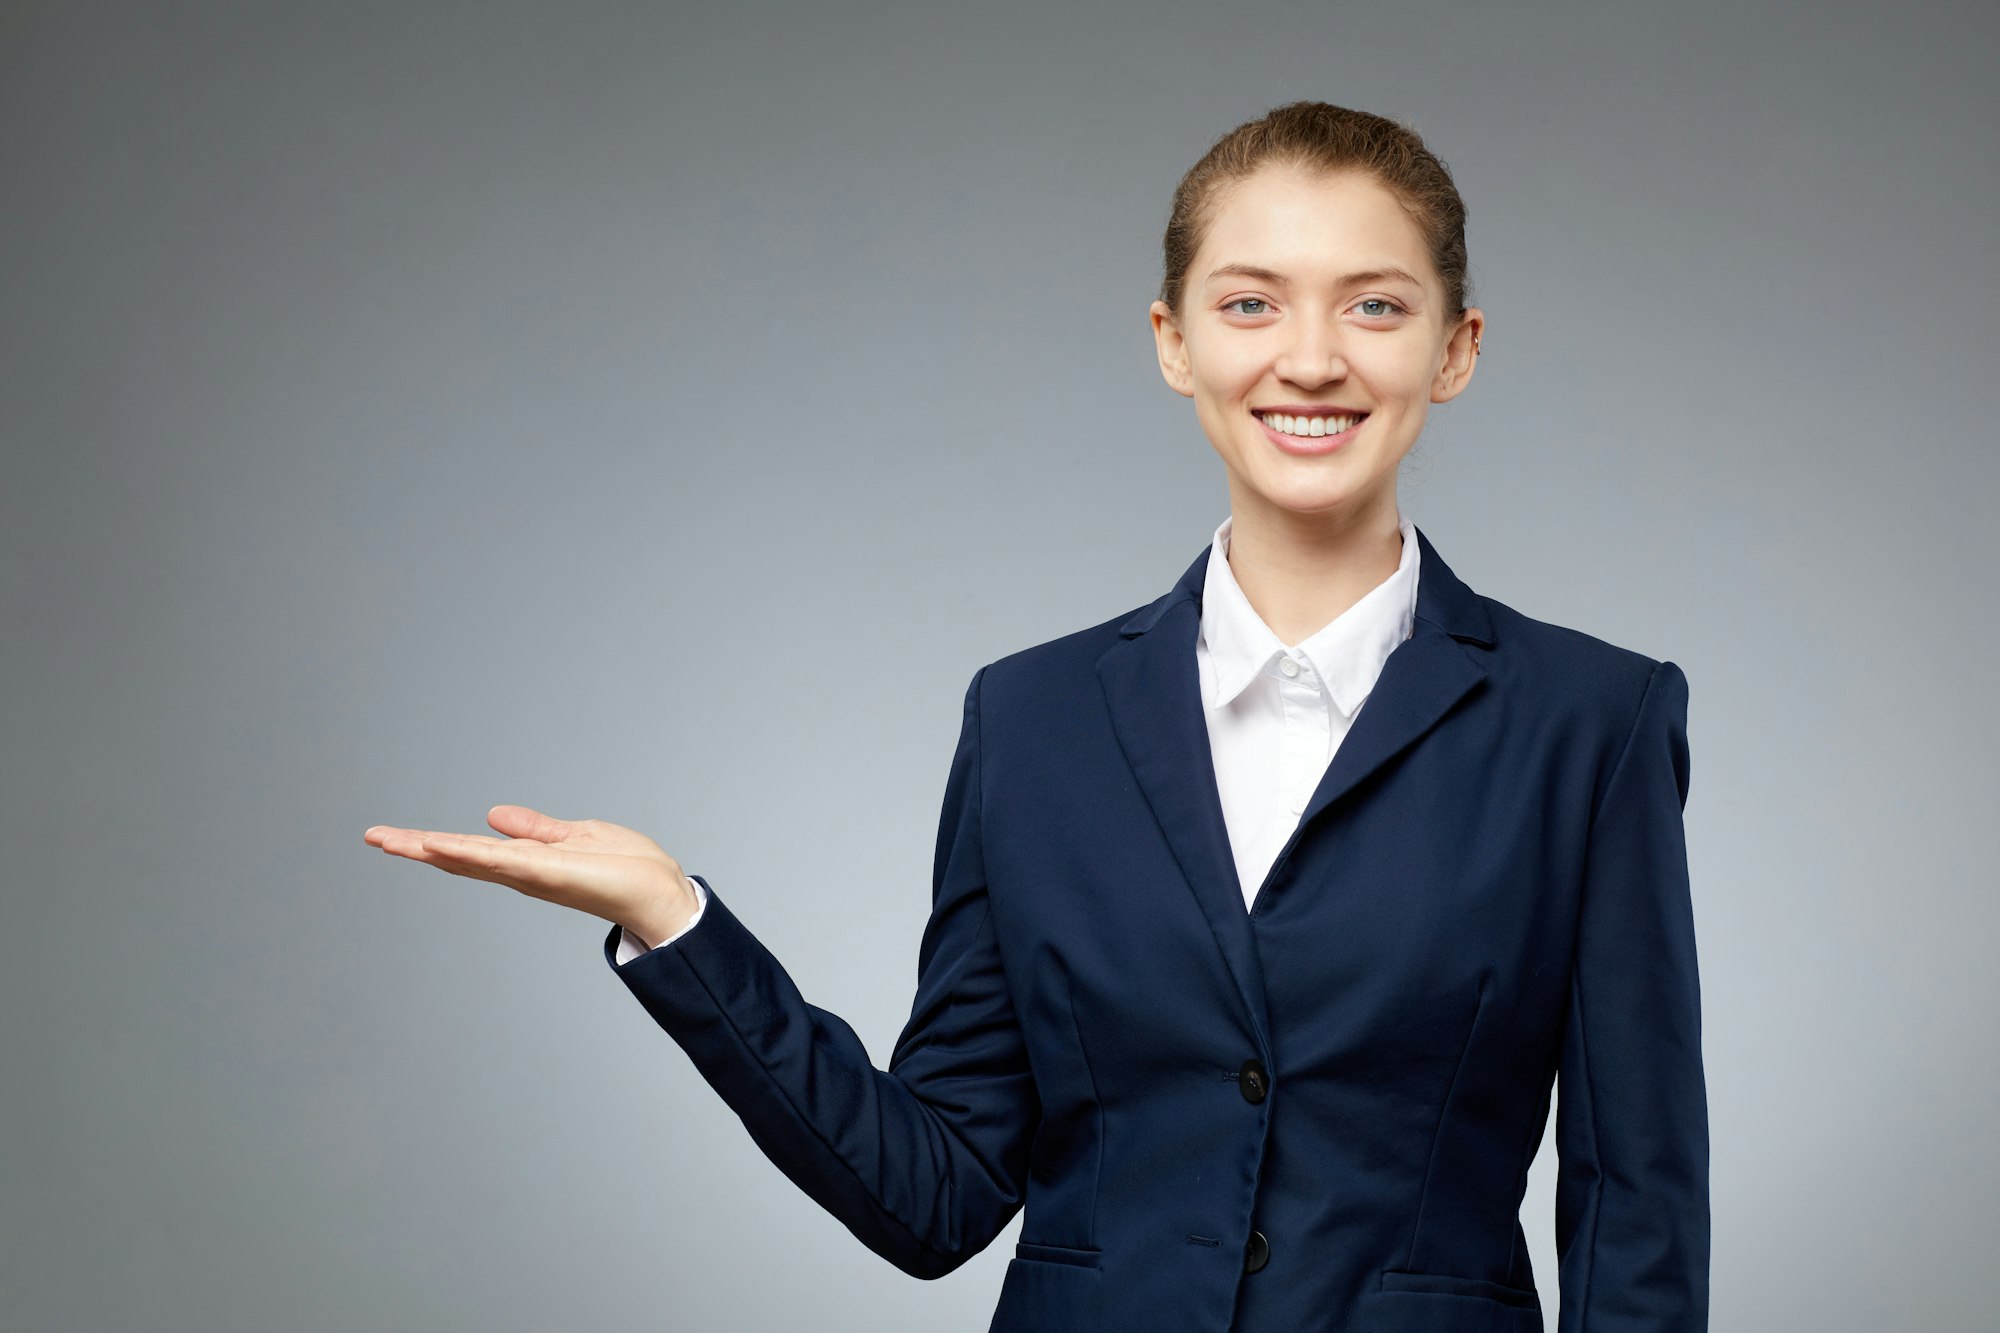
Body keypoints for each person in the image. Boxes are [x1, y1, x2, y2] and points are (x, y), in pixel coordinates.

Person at [366, 101, 1709, 1332]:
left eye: (1373, 305)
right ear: (1173, 343)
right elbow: (936, 1188)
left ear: (1454, 348)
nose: (1310, 358)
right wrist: (678, 923)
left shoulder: (1592, 722)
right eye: (1250, 304)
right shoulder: (1033, 718)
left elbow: (1635, 1207)